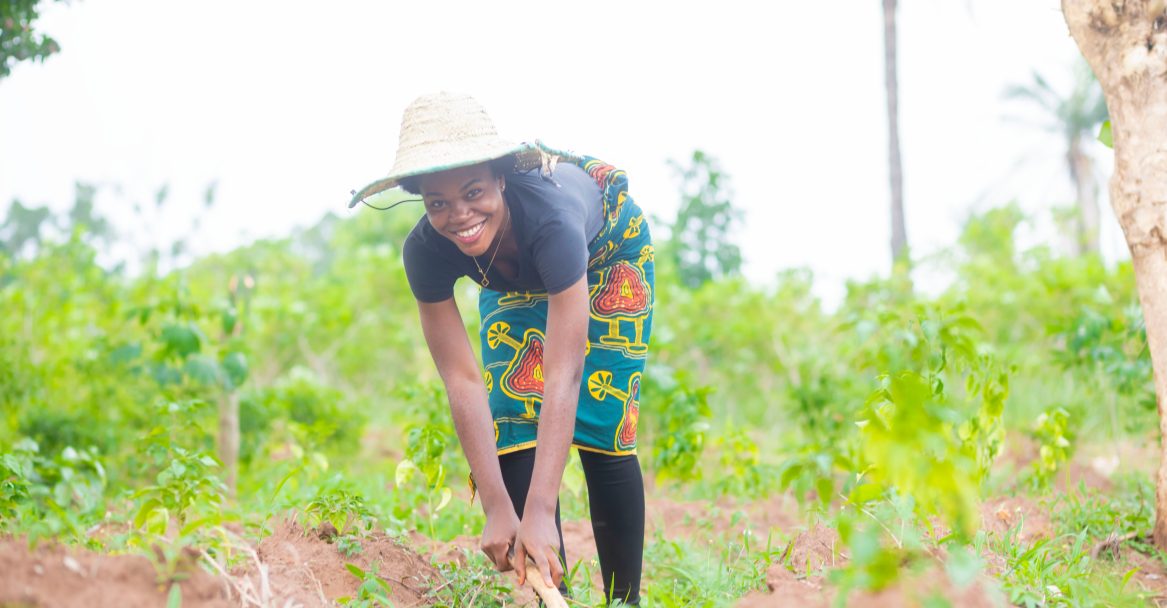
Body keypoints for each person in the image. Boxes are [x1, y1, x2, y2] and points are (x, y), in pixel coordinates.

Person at [349, 92, 654, 605]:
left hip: (603, 254)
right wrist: (495, 505)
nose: (460, 215)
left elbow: (564, 372)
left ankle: (626, 600)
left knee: (605, 423)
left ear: (501, 178)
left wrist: (539, 510)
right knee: (513, 411)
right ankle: (548, 592)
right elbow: (462, 379)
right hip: (508, 276)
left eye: (473, 192)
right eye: (438, 203)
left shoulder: (553, 222)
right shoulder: (425, 252)